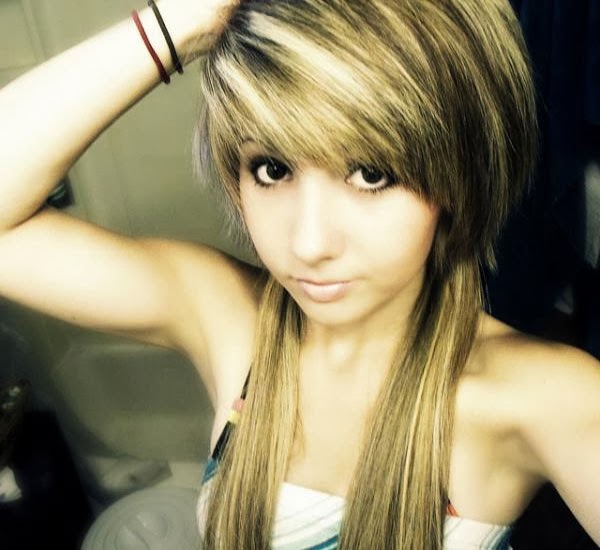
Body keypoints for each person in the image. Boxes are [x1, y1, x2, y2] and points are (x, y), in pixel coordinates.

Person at [0, 0, 598, 548]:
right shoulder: (228, 314)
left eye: (370, 173)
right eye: (272, 168)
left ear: (457, 177)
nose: (308, 244)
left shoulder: (545, 396)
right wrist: (184, 22)